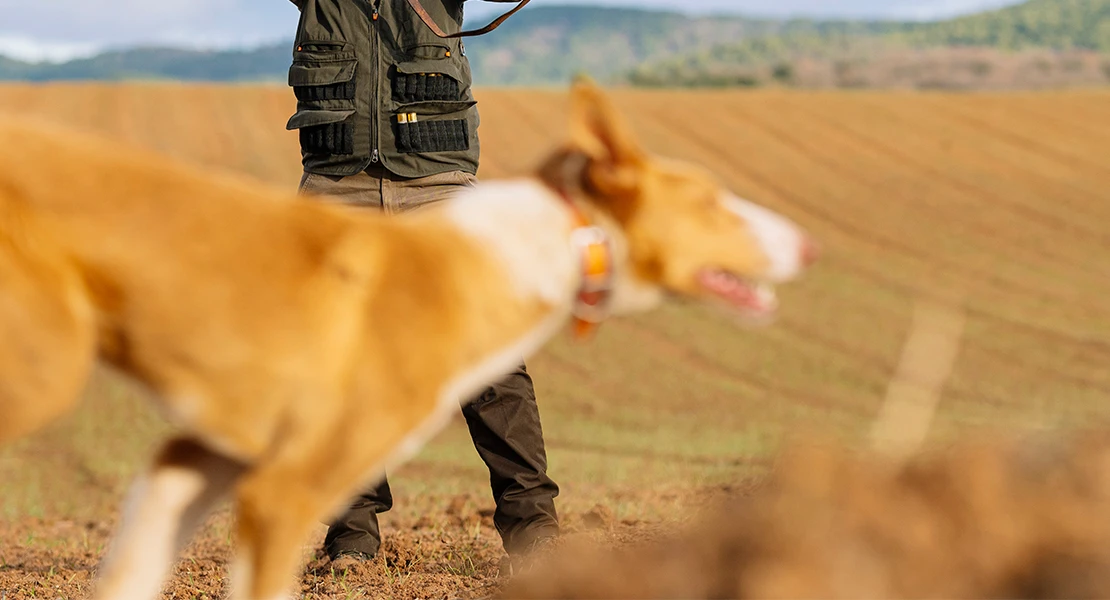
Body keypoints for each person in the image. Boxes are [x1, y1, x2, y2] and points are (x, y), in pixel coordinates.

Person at [284, 0, 559, 572]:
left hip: (438, 184)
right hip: (338, 190)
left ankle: (535, 533)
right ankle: (351, 539)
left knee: (491, 358)